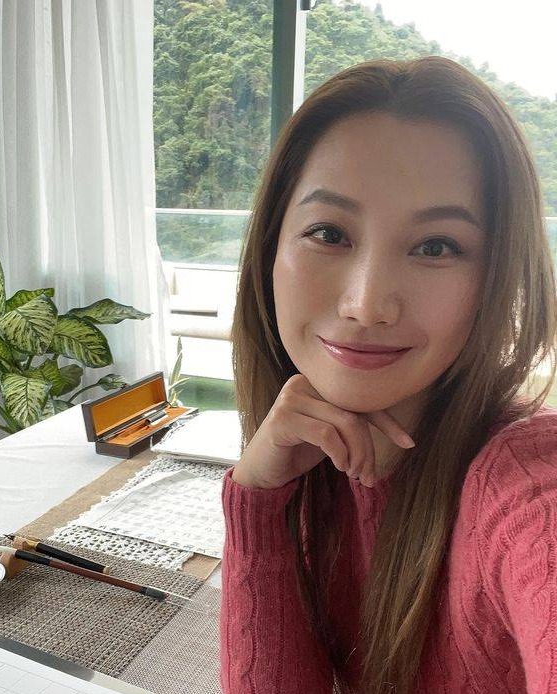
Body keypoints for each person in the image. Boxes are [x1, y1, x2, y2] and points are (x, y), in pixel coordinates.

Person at [219, 55, 557, 694]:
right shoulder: (310, 458)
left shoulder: (526, 481)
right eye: (329, 233)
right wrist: (257, 500)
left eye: (436, 247)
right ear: (269, 249)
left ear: (497, 275)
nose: (367, 304)